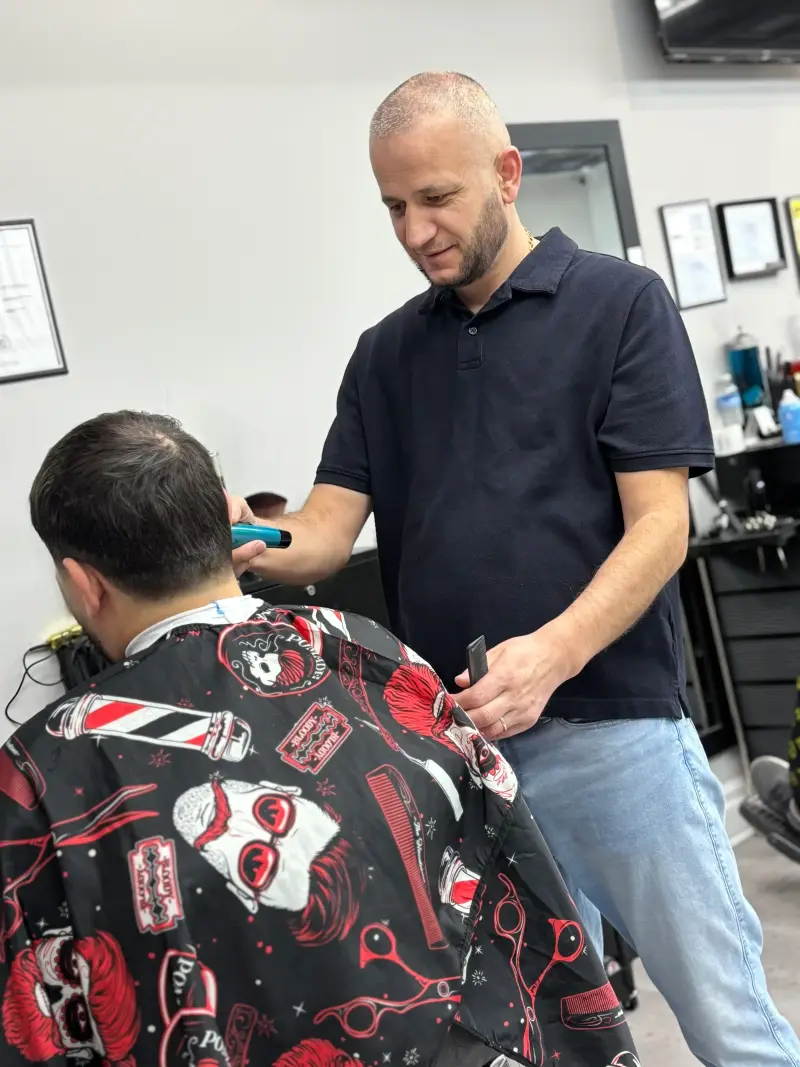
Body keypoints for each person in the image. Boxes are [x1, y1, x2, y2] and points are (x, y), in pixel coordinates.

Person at [230, 72, 800, 1066]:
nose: (414, 230)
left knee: (727, 1025)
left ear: (504, 173)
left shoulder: (619, 305)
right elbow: (323, 530)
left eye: (436, 197)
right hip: (466, 757)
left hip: (611, 734)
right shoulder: (385, 355)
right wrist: (247, 533)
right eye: (393, 207)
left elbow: (659, 525)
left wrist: (549, 655)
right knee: (547, 1036)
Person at [0, 410, 638, 1067]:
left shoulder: (39, 776)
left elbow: (32, 1025)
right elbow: (523, 885)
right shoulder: (376, 654)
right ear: (228, 516)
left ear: (83, 583)